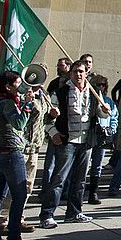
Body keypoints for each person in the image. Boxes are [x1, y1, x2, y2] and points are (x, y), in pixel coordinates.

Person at [38, 60, 109, 227]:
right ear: (70, 73)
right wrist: (53, 133)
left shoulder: (93, 92)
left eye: (82, 72)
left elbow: (100, 114)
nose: (79, 74)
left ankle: (74, 212)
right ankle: (47, 215)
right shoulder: (60, 93)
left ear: (86, 74)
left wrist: (105, 111)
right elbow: (47, 119)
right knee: (59, 179)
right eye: (76, 71)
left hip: (86, 142)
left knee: (80, 180)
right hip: (67, 142)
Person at [0, 71, 35, 240]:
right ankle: (14, 236)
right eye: (18, 83)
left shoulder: (4, 101)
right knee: (19, 194)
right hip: (10, 154)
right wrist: (28, 104)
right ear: (8, 86)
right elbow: (19, 123)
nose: (21, 86)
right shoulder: (6, 103)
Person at [84, 74, 116, 206]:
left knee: (97, 165)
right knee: (84, 165)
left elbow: (114, 116)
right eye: (98, 85)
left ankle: (93, 192)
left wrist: (111, 129)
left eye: (103, 85)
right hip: (90, 134)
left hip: (102, 136)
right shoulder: (88, 99)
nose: (100, 88)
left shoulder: (108, 101)